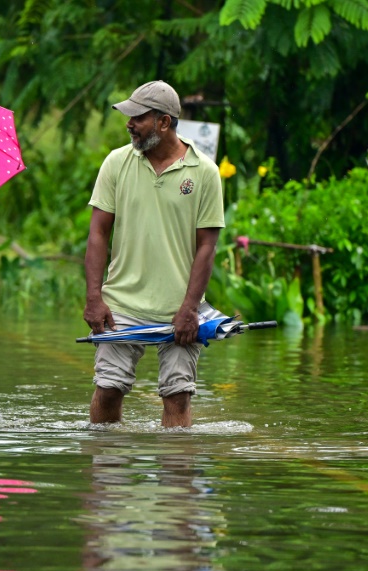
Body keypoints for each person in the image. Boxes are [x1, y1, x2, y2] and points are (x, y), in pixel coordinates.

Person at [83, 81, 225, 427]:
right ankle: (105, 470)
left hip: (179, 308)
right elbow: (98, 232)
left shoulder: (204, 172)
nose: (129, 123)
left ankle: (176, 477)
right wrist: (94, 298)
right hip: (122, 305)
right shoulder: (117, 163)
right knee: (108, 389)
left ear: (164, 122)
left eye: (138, 117)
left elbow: (207, 245)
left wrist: (190, 309)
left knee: (177, 396)